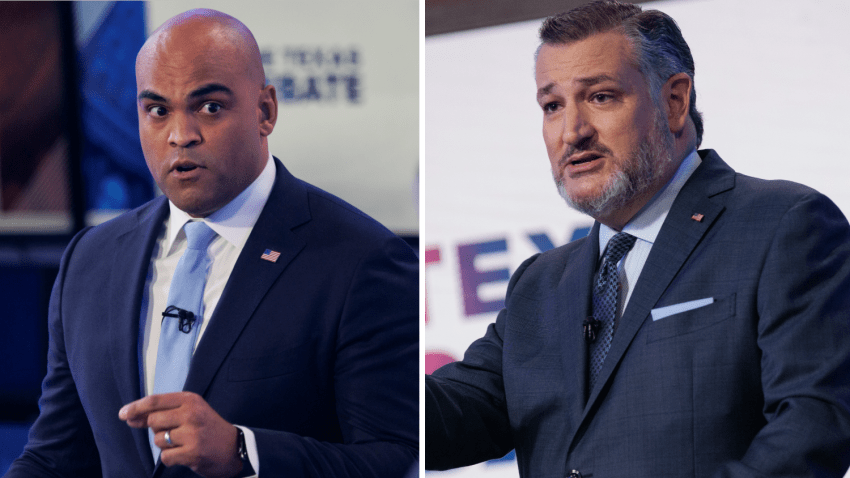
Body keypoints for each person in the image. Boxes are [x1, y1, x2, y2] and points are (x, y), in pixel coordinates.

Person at [425, 1, 850, 477]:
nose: (573, 132)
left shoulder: (783, 226)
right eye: (552, 106)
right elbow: (449, 421)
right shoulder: (538, 285)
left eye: (601, 96)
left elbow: (814, 426)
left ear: (674, 101)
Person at [6, 9, 417, 478]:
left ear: (265, 111)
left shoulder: (362, 262)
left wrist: (244, 452)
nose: (181, 135)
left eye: (209, 107)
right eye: (157, 111)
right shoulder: (90, 261)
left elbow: (393, 459)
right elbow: (55, 457)